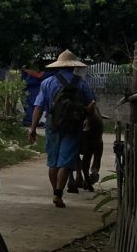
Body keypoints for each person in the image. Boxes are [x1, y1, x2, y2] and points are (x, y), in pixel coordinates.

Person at [28, 50, 100, 208]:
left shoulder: (47, 83)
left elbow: (38, 107)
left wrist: (32, 128)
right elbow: (91, 105)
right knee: (65, 161)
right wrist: (87, 119)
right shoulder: (81, 83)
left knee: (53, 162)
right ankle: (58, 194)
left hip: (52, 125)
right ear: (74, 67)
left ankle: (56, 192)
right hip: (73, 126)